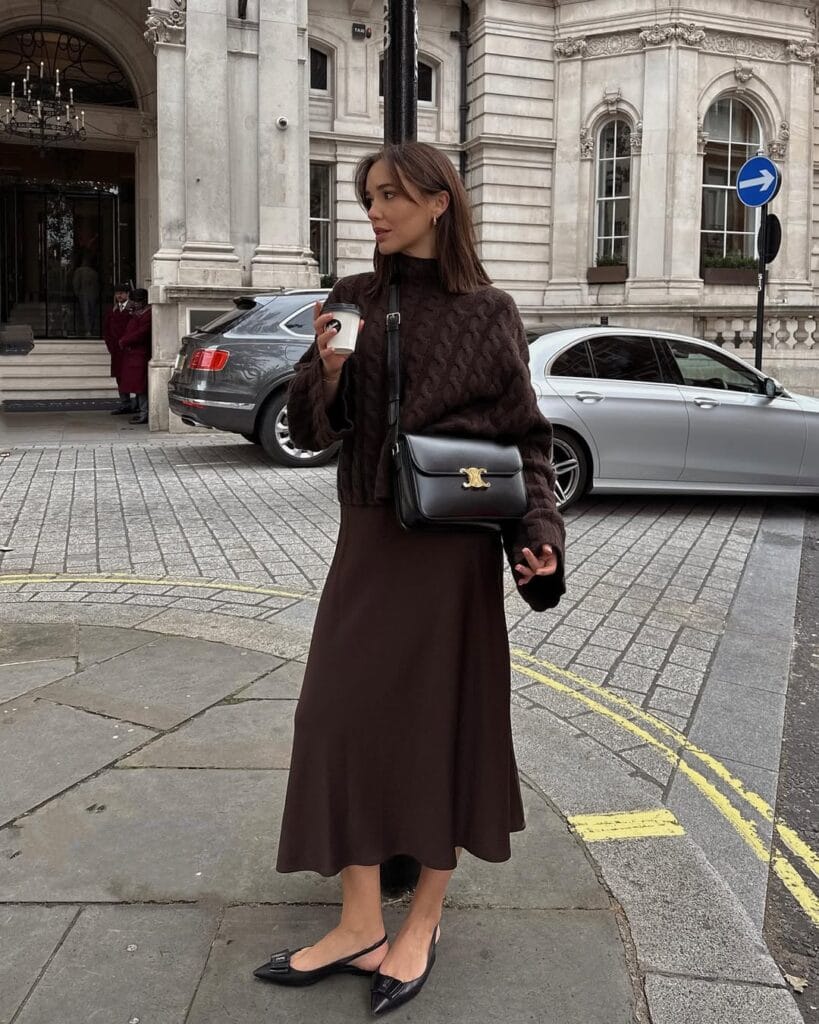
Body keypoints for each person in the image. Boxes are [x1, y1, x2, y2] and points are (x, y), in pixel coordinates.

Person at [254, 142, 565, 1015]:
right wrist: (327, 372)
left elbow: (525, 441)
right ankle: (358, 920)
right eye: (367, 198)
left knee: (442, 731)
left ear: (439, 200)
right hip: (367, 542)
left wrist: (536, 533)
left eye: (390, 195)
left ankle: (421, 917)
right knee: (334, 720)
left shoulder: (489, 310)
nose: (375, 212)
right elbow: (316, 433)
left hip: (451, 549)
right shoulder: (352, 299)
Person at [118, 288, 152, 424]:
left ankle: (145, 413)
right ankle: (141, 410)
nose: (134, 304)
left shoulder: (147, 314)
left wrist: (124, 341)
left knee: (141, 386)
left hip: (140, 353)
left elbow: (141, 332)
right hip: (133, 354)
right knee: (137, 386)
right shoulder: (137, 313)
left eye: (136, 301)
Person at [102, 284, 133, 414]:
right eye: (117, 293)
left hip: (130, 349)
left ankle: (137, 403)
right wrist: (111, 346)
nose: (119, 296)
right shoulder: (112, 310)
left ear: (127, 294)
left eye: (121, 293)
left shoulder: (133, 309)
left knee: (132, 377)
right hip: (116, 350)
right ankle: (125, 403)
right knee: (119, 377)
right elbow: (106, 330)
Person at [72, 256, 100, 337]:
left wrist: (77, 292)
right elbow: (97, 285)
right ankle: (90, 329)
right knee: (91, 313)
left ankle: (88, 330)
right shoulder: (94, 272)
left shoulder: (79, 271)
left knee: (86, 313)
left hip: (84, 294)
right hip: (92, 295)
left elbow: (75, 283)